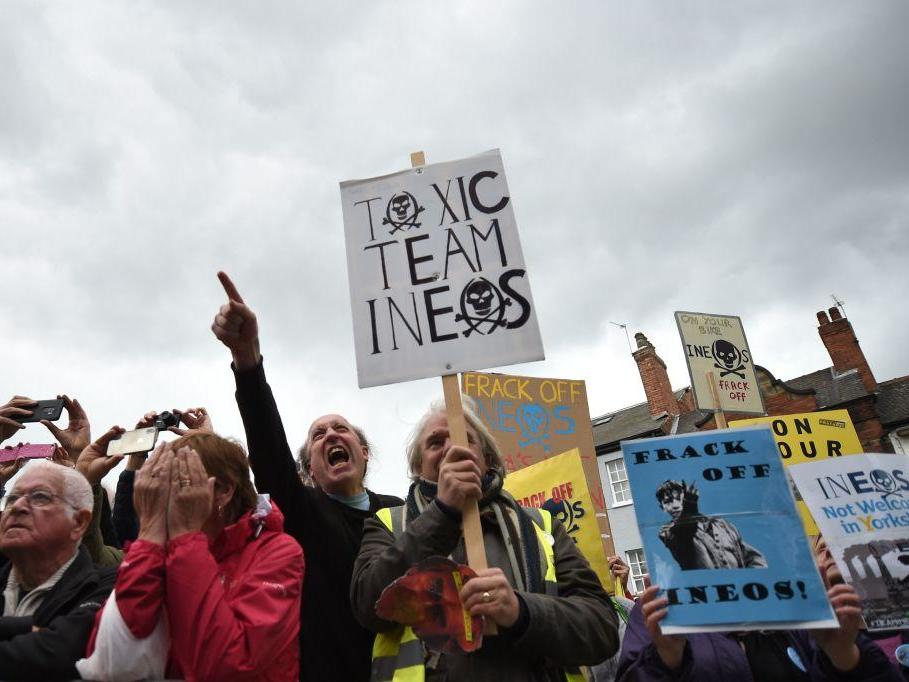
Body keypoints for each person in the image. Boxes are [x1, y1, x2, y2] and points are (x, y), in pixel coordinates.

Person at [211, 271, 403, 682]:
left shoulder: (401, 513)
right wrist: (247, 360)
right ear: (308, 468)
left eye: (341, 428)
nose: (331, 434)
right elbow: (267, 448)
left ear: (364, 453)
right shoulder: (303, 512)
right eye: (319, 435)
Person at [351, 401, 619, 681]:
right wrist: (443, 513)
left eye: (465, 439)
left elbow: (602, 628)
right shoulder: (387, 523)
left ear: (488, 459)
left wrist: (521, 611)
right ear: (419, 466)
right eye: (435, 442)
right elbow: (369, 606)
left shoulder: (542, 524)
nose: (451, 450)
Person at [78, 433, 303, 682]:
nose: (165, 496)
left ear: (224, 491)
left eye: (181, 482)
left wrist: (186, 537)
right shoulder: (158, 547)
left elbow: (224, 665)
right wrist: (149, 533)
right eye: (161, 482)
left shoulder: (277, 551)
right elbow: (111, 661)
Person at [0, 459, 116, 680]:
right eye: (12, 498)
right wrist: (28, 627)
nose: (17, 507)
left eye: (40, 497)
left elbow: (60, 653)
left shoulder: (108, 586)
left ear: (79, 523)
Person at [656, 480, 766, 570]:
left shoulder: (721, 524)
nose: (676, 505)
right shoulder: (667, 533)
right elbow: (683, 533)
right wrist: (689, 505)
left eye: (680, 499)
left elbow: (753, 557)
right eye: (668, 501)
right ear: (662, 508)